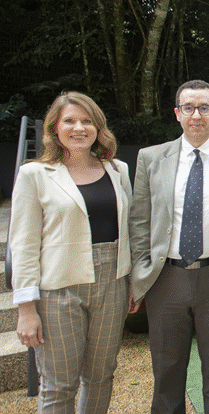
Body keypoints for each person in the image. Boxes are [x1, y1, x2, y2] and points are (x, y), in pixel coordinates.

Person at [129, 79, 209, 414]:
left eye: (204, 108)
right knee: (167, 371)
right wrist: (140, 272)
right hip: (165, 280)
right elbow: (139, 220)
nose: (196, 115)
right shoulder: (150, 158)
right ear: (177, 113)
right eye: (188, 107)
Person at [11, 91, 135, 413]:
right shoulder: (34, 174)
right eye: (70, 121)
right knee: (58, 384)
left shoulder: (118, 169)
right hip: (58, 290)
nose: (79, 128)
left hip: (112, 284)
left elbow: (130, 230)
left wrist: (133, 282)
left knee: (101, 376)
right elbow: (23, 244)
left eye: (86, 121)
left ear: (98, 127)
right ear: (54, 128)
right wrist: (26, 309)